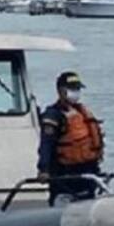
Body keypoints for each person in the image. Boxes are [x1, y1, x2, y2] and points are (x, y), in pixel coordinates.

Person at [37, 71, 104, 205]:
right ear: (61, 90)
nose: (76, 92)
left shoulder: (81, 112)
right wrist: (43, 169)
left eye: (78, 89)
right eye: (73, 89)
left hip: (87, 174)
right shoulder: (53, 115)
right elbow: (46, 144)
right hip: (65, 177)